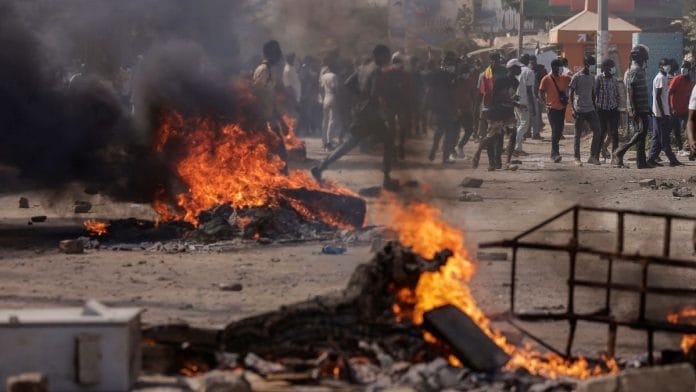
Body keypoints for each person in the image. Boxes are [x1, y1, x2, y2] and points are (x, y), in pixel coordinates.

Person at [311, 44, 398, 190]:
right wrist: (383, 107)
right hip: (371, 115)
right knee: (387, 141)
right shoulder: (377, 71)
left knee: (349, 144)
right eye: (386, 55)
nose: (388, 58)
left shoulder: (362, 68)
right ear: (380, 55)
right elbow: (375, 93)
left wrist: (361, 96)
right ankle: (387, 179)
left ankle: (321, 167)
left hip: (361, 112)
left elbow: (348, 83)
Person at [472, 59, 522, 171]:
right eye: (518, 68)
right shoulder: (500, 80)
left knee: (513, 133)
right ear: (512, 68)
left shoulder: (515, 82)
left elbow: (509, 96)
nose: (520, 70)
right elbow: (496, 97)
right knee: (493, 136)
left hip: (508, 112)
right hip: (497, 111)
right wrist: (514, 102)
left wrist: (514, 100)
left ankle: (507, 162)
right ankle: (478, 152)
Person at [612, 45, 652, 169]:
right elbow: (630, 91)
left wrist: (647, 107)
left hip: (642, 107)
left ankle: (641, 162)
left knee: (641, 134)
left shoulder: (638, 69)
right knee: (640, 132)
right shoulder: (634, 70)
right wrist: (634, 109)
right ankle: (620, 151)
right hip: (638, 109)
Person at [647, 58, 682, 166]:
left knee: (658, 137)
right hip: (660, 113)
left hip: (662, 112)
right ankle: (672, 159)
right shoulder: (660, 78)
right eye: (665, 65)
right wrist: (662, 113)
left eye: (668, 65)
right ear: (660, 66)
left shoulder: (664, 77)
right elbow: (657, 96)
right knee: (664, 137)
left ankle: (651, 159)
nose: (668, 67)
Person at [569, 55, 602, 165]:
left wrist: (595, 106)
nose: (594, 67)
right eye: (592, 65)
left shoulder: (592, 77)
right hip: (579, 109)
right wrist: (572, 109)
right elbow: (570, 93)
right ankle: (576, 158)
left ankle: (592, 156)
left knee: (598, 130)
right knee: (577, 134)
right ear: (587, 65)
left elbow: (593, 94)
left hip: (590, 109)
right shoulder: (577, 77)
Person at [427, 51, 459, 164]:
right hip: (442, 108)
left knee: (444, 132)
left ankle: (437, 152)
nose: (452, 66)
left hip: (445, 108)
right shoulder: (442, 75)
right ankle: (439, 154)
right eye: (449, 63)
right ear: (444, 63)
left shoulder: (450, 76)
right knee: (445, 132)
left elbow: (454, 94)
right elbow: (432, 91)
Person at [539, 59, 572, 163]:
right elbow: (541, 92)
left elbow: (574, 81)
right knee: (555, 130)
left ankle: (555, 152)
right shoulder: (546, 79)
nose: (561, 68)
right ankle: (554, 153)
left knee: (559, 130)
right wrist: (545, 103)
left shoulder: (565, 78)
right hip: (552, 109)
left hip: (562, 108)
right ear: (554, 67)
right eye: (560, 66)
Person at [595, 59, 622, 157]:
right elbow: (595, 93)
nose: (613, 69)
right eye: (611, 66)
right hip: (602, 110)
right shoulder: (599, 79)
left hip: (613, 109)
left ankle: (615, 156)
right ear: (605, 68)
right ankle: (596, 156)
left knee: (615, 133)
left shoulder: (614, 79)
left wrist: (618, 105)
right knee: (602, 133)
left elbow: (616, 94)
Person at [669, 61, 695, 155]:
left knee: (688, 128)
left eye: (685, 67)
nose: (683, 69)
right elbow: (669, 93)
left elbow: (689, 96)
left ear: (689, 70)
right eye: (682, 67)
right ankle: (679, 148)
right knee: (674, 129)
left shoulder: (690, 82)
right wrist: (671, 108)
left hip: (684, 109)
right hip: (674, 109)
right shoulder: (676, 79)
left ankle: (690, 149)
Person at [513, 54, 536, 156]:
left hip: (516, 101)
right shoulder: (529, 72)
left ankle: (517, 148)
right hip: (524, 102)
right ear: (528, 61)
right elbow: (529, 90)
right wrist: (532, 105)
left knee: (519, 124)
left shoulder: (516, 71)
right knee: (524, 126)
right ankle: (515, 148)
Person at [455, 62, 479, 157]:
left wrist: (474, 107)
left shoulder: (470, 81)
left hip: (467, 110)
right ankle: (452, 151)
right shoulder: (455, 82)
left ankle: (460, 146)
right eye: (464, 72)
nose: (466, 74)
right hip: (456, 110)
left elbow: (474, 94)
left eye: (467, 72)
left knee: (469, 130)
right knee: (454, 131)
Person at [319, 61, 339, 150]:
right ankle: (329, 142)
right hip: (332, 97)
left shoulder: (324, 76)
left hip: (325, 98)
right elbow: (335, 88)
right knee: (332, 120)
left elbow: (321, 87)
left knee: (325, 120)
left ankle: (323, 141)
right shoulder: (333, 76)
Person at [530, 55, 547, 140]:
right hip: (531, 95)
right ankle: (533, 132)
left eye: (533, 61)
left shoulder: (540, 70)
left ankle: (536, 132)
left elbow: (544, 82)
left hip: (538, 95)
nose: (532, 63)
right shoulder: (529, 70)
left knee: (537, 114)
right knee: (533, 115)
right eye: (531, 61)